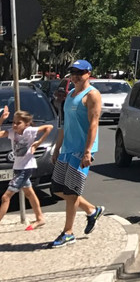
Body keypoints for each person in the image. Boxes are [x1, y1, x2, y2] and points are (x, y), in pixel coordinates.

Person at [49, 59, 105, 248]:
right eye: (73, 72)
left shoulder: (92, 95)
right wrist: (57, 149)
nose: (75, 76)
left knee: (71, 192)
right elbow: (64, 125)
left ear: (88, 74)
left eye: (79, 73)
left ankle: (68, 232)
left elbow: (94, 124)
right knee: (57, 189)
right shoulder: (71, 94)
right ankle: (91, 210)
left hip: (81, 150)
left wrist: (88, 151)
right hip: (67, 148)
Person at [0, 105, 53, 230]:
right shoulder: (12, 133)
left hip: (25, 168)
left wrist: (38, 143)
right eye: (13, 122)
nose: (15, 125)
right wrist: (2, 119)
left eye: (18, 123)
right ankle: (40, 218)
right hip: (18, 167)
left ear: (27, 124)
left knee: (6, 197)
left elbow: (49, 127)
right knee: (29, 193)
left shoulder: (29, 131)